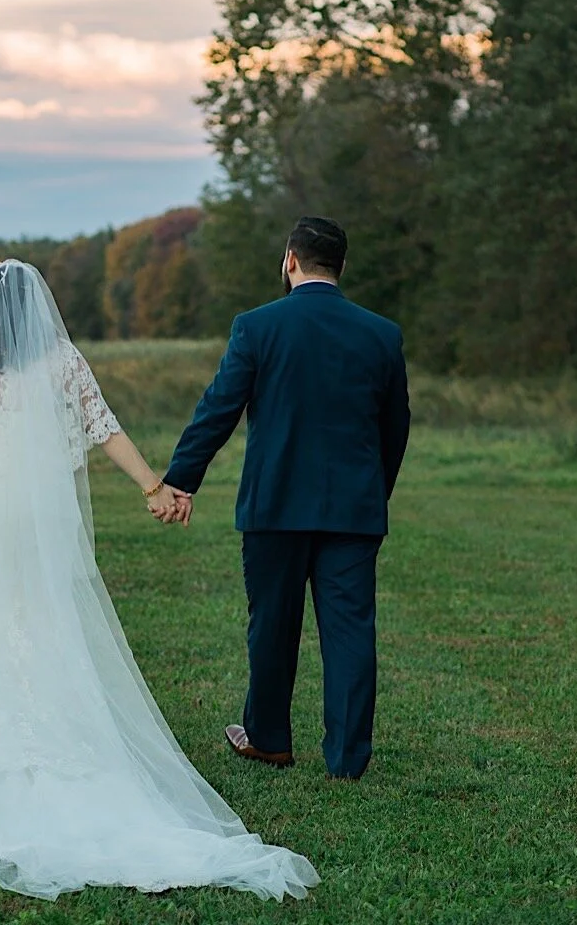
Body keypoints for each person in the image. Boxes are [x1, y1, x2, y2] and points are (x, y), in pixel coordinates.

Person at [0, 258, 318, 902]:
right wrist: (154, 487)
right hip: (36, 513)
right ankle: (58, 735)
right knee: (44, 616)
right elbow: (106, 430)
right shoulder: (60, 361)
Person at [159, 216, 411, 781]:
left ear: (290, 260)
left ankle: (269, 739)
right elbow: (396, 430)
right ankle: (347, 760)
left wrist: (181, 479)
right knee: (350, 630)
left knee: (272, 623)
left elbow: (218, 410)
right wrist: (374, 492)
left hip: (275, 505)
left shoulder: (257, 327)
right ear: (340, 266)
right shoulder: (381, 333)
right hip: (353, 509)